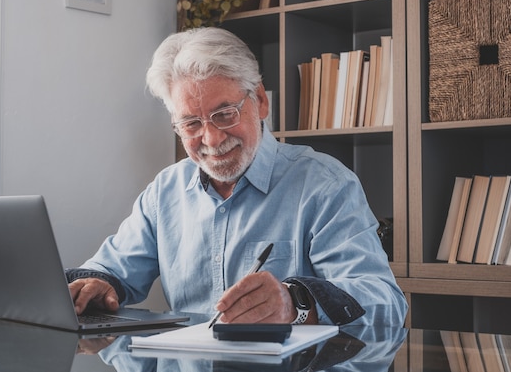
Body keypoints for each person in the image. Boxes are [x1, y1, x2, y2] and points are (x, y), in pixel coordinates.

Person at [66, 27, 408, 326]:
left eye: (224, 114)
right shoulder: (165, 192)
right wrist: (98, 286)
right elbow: (110, 270)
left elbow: (385, 304)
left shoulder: (324, 185)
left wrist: (297, 304)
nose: (212, 139)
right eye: (191, 124)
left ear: (259, 100)